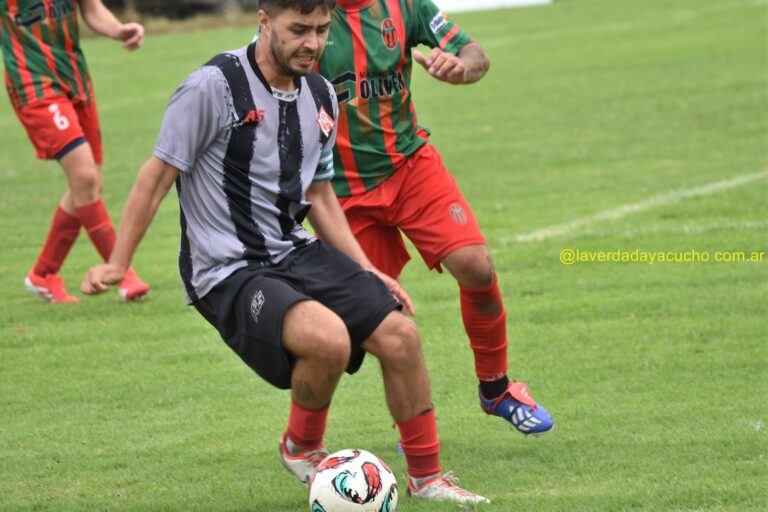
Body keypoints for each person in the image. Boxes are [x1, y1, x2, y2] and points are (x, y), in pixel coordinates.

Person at [82, 0, 489, 504]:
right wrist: (119, 263)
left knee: (401, 335)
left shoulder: (320, 93)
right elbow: (155, 178)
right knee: (329, 340)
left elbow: (318, 195)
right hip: (227, 268)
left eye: (321, 30)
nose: (312, 44)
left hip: (291, 248)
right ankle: (302, 449)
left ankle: (429, 479)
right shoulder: (213, 86)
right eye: (299, 30)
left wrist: (367, 271)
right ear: (264, 20)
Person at [314, 0, 555, 435]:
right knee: (384, 321)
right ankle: (400, 434)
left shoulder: (405, 5)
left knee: (476, 266)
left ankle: (496, 389)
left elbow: (475, 53)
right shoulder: (307, 14)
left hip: (410, 166)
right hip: (343, 193)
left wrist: (462, 68)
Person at [1, 0, 150, 303]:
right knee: (84, 177)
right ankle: (123, 274)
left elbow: (92, 9)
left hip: (74, 76)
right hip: (33, 84)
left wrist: (119, 30)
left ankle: (42, 274)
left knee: (89, 181)